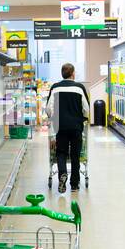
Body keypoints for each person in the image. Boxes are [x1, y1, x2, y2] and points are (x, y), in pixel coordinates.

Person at [45, 62, 90, 193]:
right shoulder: (79, 88)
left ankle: (62, 175)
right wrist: (83, 118)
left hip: (60, 126)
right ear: (73, 73)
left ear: (62, 74)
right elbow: (86, 109)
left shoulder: (55, 87)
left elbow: (48, 109)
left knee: (61, 153)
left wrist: (52, 118)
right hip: (76, 126)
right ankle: (74, 184)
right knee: (75, 154)